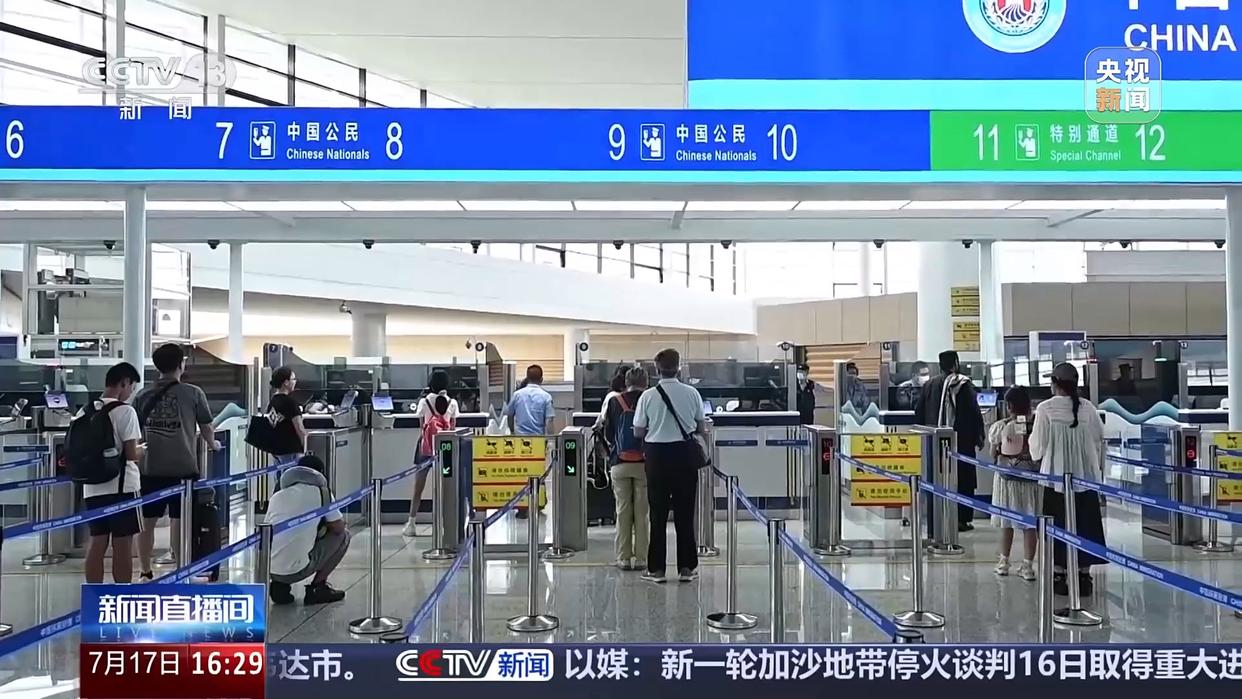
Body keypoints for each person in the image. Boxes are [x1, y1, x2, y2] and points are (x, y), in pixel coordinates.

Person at [133, 343, 218, 579]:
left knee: (146, 523)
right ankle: (182, 571)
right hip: (184, 468)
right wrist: (213, 444)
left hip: (149, 468)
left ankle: (145, 571)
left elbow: (134, 430)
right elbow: (206, 427)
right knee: (180, 522)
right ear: (181, 364)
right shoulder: (193, 393)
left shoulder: (142, 395)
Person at [1030, 362, 1107, 597]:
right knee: (1086, 525)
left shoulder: (1045, 408)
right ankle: (1084, 575)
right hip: (1085, 479)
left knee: (1056, 525)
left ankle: (1059, 574)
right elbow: (1099, 437)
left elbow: (1037, 447)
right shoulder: (1088, 408)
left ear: (1055, 383)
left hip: (1055, 480)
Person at [632, 348, 707, 584]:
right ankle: (687, 568)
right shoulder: (692, 393)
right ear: (679, 367)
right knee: (685, 512)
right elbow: (701, 427)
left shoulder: (648, 396)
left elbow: (638, 431)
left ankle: (657, 570)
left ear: (657, 369)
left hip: (657, 456)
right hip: (684, 455)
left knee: (657, 514)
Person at [80, 362, 145, 584]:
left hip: (92, 487)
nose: (130, 393)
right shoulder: (125, 411)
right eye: (131, 387)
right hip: (122, 487)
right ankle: (122, 593)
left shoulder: (84, 410)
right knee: (123, 543)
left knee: (97, 541)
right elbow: (131, 454)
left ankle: (94, 594)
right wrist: (143, 450)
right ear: (124, 383)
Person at [265, 454, 350, 605]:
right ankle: (318, 588)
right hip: (297, 570)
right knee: (343, 536)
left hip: (270, 569)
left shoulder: (277, 495)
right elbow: (338, 528)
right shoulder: (322, 493)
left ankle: (280, 586)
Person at [916, 350, 985, 531]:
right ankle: (962, 519)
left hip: (934, 441)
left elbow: (919, 412)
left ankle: (936, 517)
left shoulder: (929, 385)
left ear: (940, 366)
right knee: (964, 480)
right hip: (961, 442)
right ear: (955, 363)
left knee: (936, 478)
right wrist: (979, 436)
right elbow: (973, 412)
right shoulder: (962, 384)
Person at [986, 386, 1041, 581]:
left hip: (1006, 480)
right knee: (1030, 524)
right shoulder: (1037, 425)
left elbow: (993, 454)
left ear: (1008, 406)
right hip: (1031, 480)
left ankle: (1003, 562)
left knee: (1006, 522)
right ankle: (1027, 566)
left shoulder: (1000, 427)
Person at [601, 366, 651, 571]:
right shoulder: (650, 399)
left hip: (619, 462)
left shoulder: (615, 401)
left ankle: (623, 558)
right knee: (642, 513)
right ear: (646, 382)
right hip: (644, 464)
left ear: (626, 382)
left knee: (622, 511)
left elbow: (609, 434)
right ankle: (641, 558)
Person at [403, 370, 459, 537]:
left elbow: (421, 425)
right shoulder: (453, 403)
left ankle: (411, 524)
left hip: (425, 447)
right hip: (446, 447)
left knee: (418, 487)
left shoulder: (424, 401)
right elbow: (453, 427)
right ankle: (446, 524)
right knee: (447, 487)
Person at [504, 365, 554, 518]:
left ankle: (522, 506)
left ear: (527, 377)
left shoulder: (517, 395)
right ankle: (538, 503)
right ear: (541, 379)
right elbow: (549, 422)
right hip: (538, 441)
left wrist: (513, 432)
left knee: (521, 472)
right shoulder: (546, 397)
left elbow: (509, 415)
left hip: (520, 440)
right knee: (538, 472)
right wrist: (549, 440)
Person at [267, 366, 306, 463]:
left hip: (277, 451)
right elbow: (300, 429)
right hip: (291, 450)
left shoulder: (272, 402)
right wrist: (306, 447)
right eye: (293, 379)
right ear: (286, 382)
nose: (295, 381)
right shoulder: (290, 403)